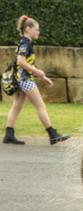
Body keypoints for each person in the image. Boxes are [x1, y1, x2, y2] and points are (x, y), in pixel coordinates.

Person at [3, 14, 69, 145]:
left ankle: (8, 135)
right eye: (37, 29)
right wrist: (38, 72)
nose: (38, 32)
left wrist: (43, 76)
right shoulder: (24, 44)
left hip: (20, 79)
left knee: (17, 106)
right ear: (28, 29)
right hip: (25, 80)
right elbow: (21, 62)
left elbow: (27, 63)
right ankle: (52, 134)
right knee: (40, 106)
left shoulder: (25, 43)